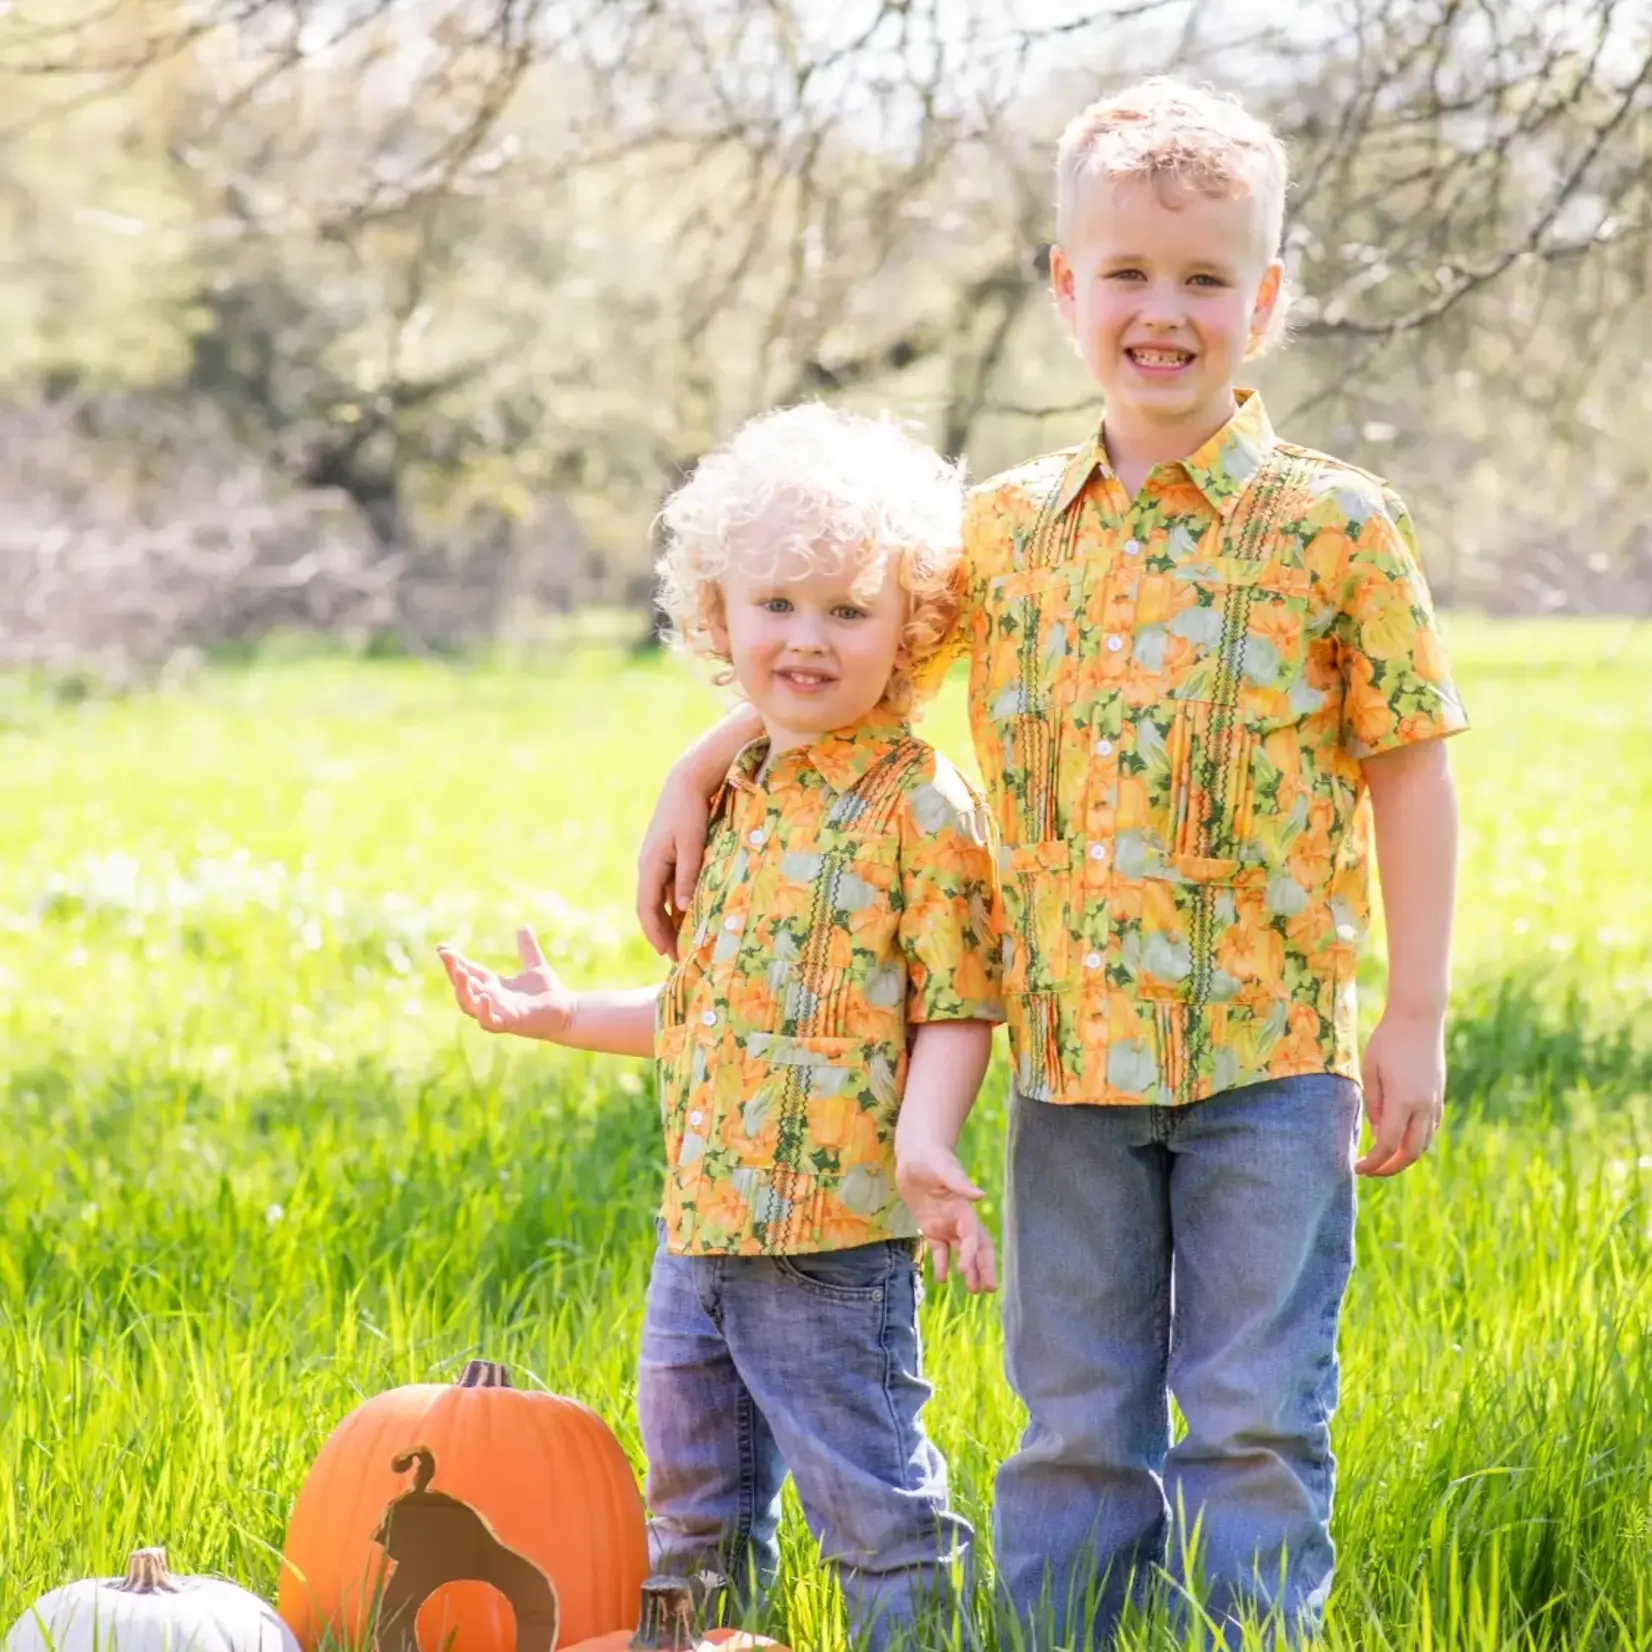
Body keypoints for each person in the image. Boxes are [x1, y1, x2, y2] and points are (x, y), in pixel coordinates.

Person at [633, 77, 1468, 1646]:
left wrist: (1410, 1018)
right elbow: (853, 669)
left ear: (1265, 301)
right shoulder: (1004, 534)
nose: (1165, 311)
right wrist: (706, 756)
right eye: (1128, 273)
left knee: (1254, 1416)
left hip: (1273, 1057)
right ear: (1067, 286)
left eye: (1206, 278)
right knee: (1075, 1416)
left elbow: (1411, 770)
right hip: (1068, 1063)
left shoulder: (1336, 528)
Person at [438, 401, 1004, 1652]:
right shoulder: (738, 793)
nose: (805, 637)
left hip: (830, 1242)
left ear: (909, 628)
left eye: (847, 610)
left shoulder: (919, 806)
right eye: (776, 603)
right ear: (718, 614)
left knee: (876, 1510)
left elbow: (961, 1001)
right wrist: (556, 1014)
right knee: (691, 1512)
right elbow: (712, 1019)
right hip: (697, 1231)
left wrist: (925, 1142)